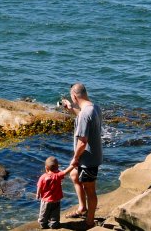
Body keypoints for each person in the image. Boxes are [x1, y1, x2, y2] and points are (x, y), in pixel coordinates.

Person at [59, 82, 103, 229]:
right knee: (74, 176)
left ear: (74, 96)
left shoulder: (85, 114)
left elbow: (82, 142)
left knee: (90, 190)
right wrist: (72, 110)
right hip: (91, 155)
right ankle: (82, 208)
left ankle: (90, 222)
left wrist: (75, 159)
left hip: (88, 159)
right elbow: (85, 120)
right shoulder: (94, 107)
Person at [36, 156, 75, 229]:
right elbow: (66, 171)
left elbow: (39, 186)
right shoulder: (58, 175)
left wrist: (38, 194)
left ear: (46, 168)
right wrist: (73, 165)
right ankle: (54, 224)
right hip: (56, 200)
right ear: (57, 167)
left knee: (44, 213)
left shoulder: (43, 177)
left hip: (45, 200)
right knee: (55, 213)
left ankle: (43, 224)